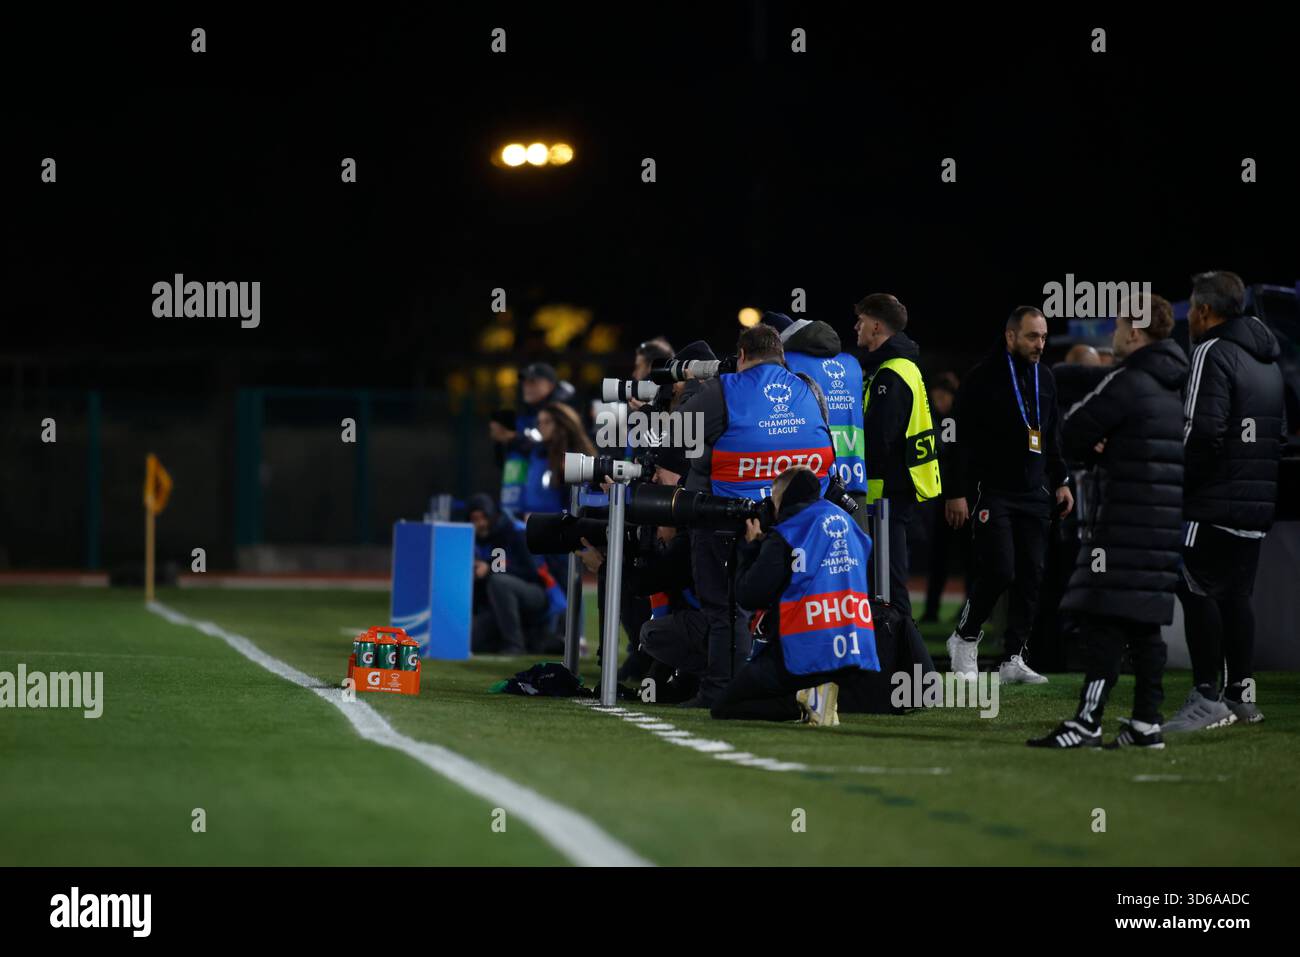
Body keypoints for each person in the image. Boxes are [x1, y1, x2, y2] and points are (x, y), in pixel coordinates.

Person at [1029, 294, 1187, 749]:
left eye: (1118, 327)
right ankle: (1145, 724)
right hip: (1160, 527)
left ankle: (1087, 721)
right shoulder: (1174, 383)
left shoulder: (1128, 380)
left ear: (1134, 333)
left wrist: (1095, 446)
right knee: (1144, 626)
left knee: (1100, 618)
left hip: (1121, 523)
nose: (1114, 335)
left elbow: (1072, 429)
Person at [676, 323, 835, 708]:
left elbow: (676, 439)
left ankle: (720, 691)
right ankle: (795, 690)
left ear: (742, 356)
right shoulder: (810, 389)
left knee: (726, 608)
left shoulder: (724, 391)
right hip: (800, 521)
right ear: (780, 354)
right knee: (793, 605)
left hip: (729, 518)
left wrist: (688, 393)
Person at [1165, 271, 1286, 732]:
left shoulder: (1211, 352)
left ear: (1203, 310)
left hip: (1212, 502)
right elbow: (1274, 435)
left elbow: (1201, 433)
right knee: (1237, 596)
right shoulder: (1268, 360)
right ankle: (1240, 697)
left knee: (1198, 592)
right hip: (1254, 504)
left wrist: (1179, 487)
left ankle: (1205, 697)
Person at [944, 306, 1073, 684]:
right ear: (1011, 336)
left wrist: (1061, 479)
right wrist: (955, 492)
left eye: (1044, 337)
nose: (1040, 344)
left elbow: (1052, 436)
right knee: (1000, 569)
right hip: (992, 492)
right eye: (1033, 336)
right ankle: (964, 639)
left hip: (1036, 492)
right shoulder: (981, 378)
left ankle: (1013, 657)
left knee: (1032, 576)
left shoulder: (1045, 378)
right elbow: (957, 440)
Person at [711, 465, 877, 725]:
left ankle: (804, 702)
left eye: (774, 502)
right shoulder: (848, 523)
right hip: (853, 650)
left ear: (784, 500)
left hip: (805, 649)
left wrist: (752, 547)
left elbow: (749, 594)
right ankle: (818, 697)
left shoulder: (790, 532)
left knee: (725, 706)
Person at [854, 293, 942, 618]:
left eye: (861, 321)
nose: (856, 327)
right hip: (897, 490)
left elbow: (879, 440)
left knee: (887, 585)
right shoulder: (900, 367)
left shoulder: (889, 374)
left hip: (886, 493)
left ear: (876, 326)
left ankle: (910, 662)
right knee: (885, 581)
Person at [762, 311, 867, 515]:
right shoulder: (851, 363)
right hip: (854, 477)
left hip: (810, 482)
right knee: (854, 545)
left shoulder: (785, 365)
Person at [467, 494, 560, 655]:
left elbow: (532, 572)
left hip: (536, 594)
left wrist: (489, 570)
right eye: (474, 519)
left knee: (499, 582)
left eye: (483, 518)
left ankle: (515, 645)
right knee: (471, 641)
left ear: (492, 516)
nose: (479, 523)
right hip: (499, 604)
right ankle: (529, 640)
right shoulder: (476, 539)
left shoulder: (516, 531)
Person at [489, 363, 577, 515]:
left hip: (550, 509)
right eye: (525, 382)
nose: (526, 386)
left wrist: (512, 438)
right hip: (519, 505)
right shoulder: (522, 418)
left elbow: (546, 446)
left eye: (533, 382)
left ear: (549, 386)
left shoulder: (560, 416)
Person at [921, 371, 971, 622]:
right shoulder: (934, 419)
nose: (938, 402)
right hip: (941, 498)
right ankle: (931, 611)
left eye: (942, 397)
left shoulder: (961, 419)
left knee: (967, 556)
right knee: (938, 556)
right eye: (935, 398)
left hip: (963, 498)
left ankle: (968, 609)